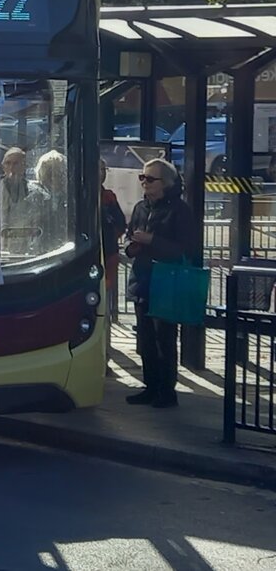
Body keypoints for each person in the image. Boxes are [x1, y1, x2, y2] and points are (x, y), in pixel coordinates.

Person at [125, 158, 195, 409]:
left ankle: (167, 391)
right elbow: (130, 235)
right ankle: (150, 386)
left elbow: (184, 249)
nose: (145, 183)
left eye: (150, 179)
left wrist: (152, 240)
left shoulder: (179, 210)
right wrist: (131, 246)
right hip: (143, 279)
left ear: (166, 183)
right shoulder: (140, 208)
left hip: (166, 281)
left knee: (164, 338)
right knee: (145, 339)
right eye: (142, 178)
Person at [100, 159, 127, 322]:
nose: (101, 173)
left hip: (108, 255)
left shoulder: (109, 197)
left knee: (106, 302)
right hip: (88, 255)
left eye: (103, 169)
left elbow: (121, 224)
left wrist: (110, 237)